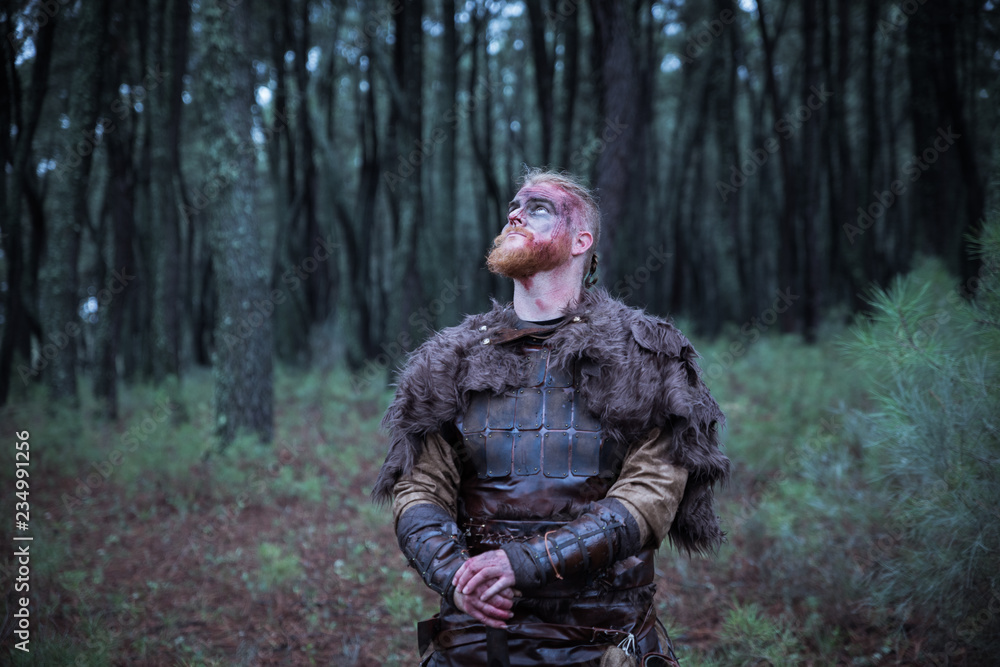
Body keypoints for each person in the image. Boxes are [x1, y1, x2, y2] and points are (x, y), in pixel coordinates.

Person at [372, 168, 730, 666]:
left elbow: (649, 498)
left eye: (538, 208)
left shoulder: (647, 356)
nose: (515, 214)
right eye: (514, 207)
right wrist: (454, 574)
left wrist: (525, 562)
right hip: (476, 644)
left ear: (582, 239)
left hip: (600, 645)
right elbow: (419, 489)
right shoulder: (449, 361)